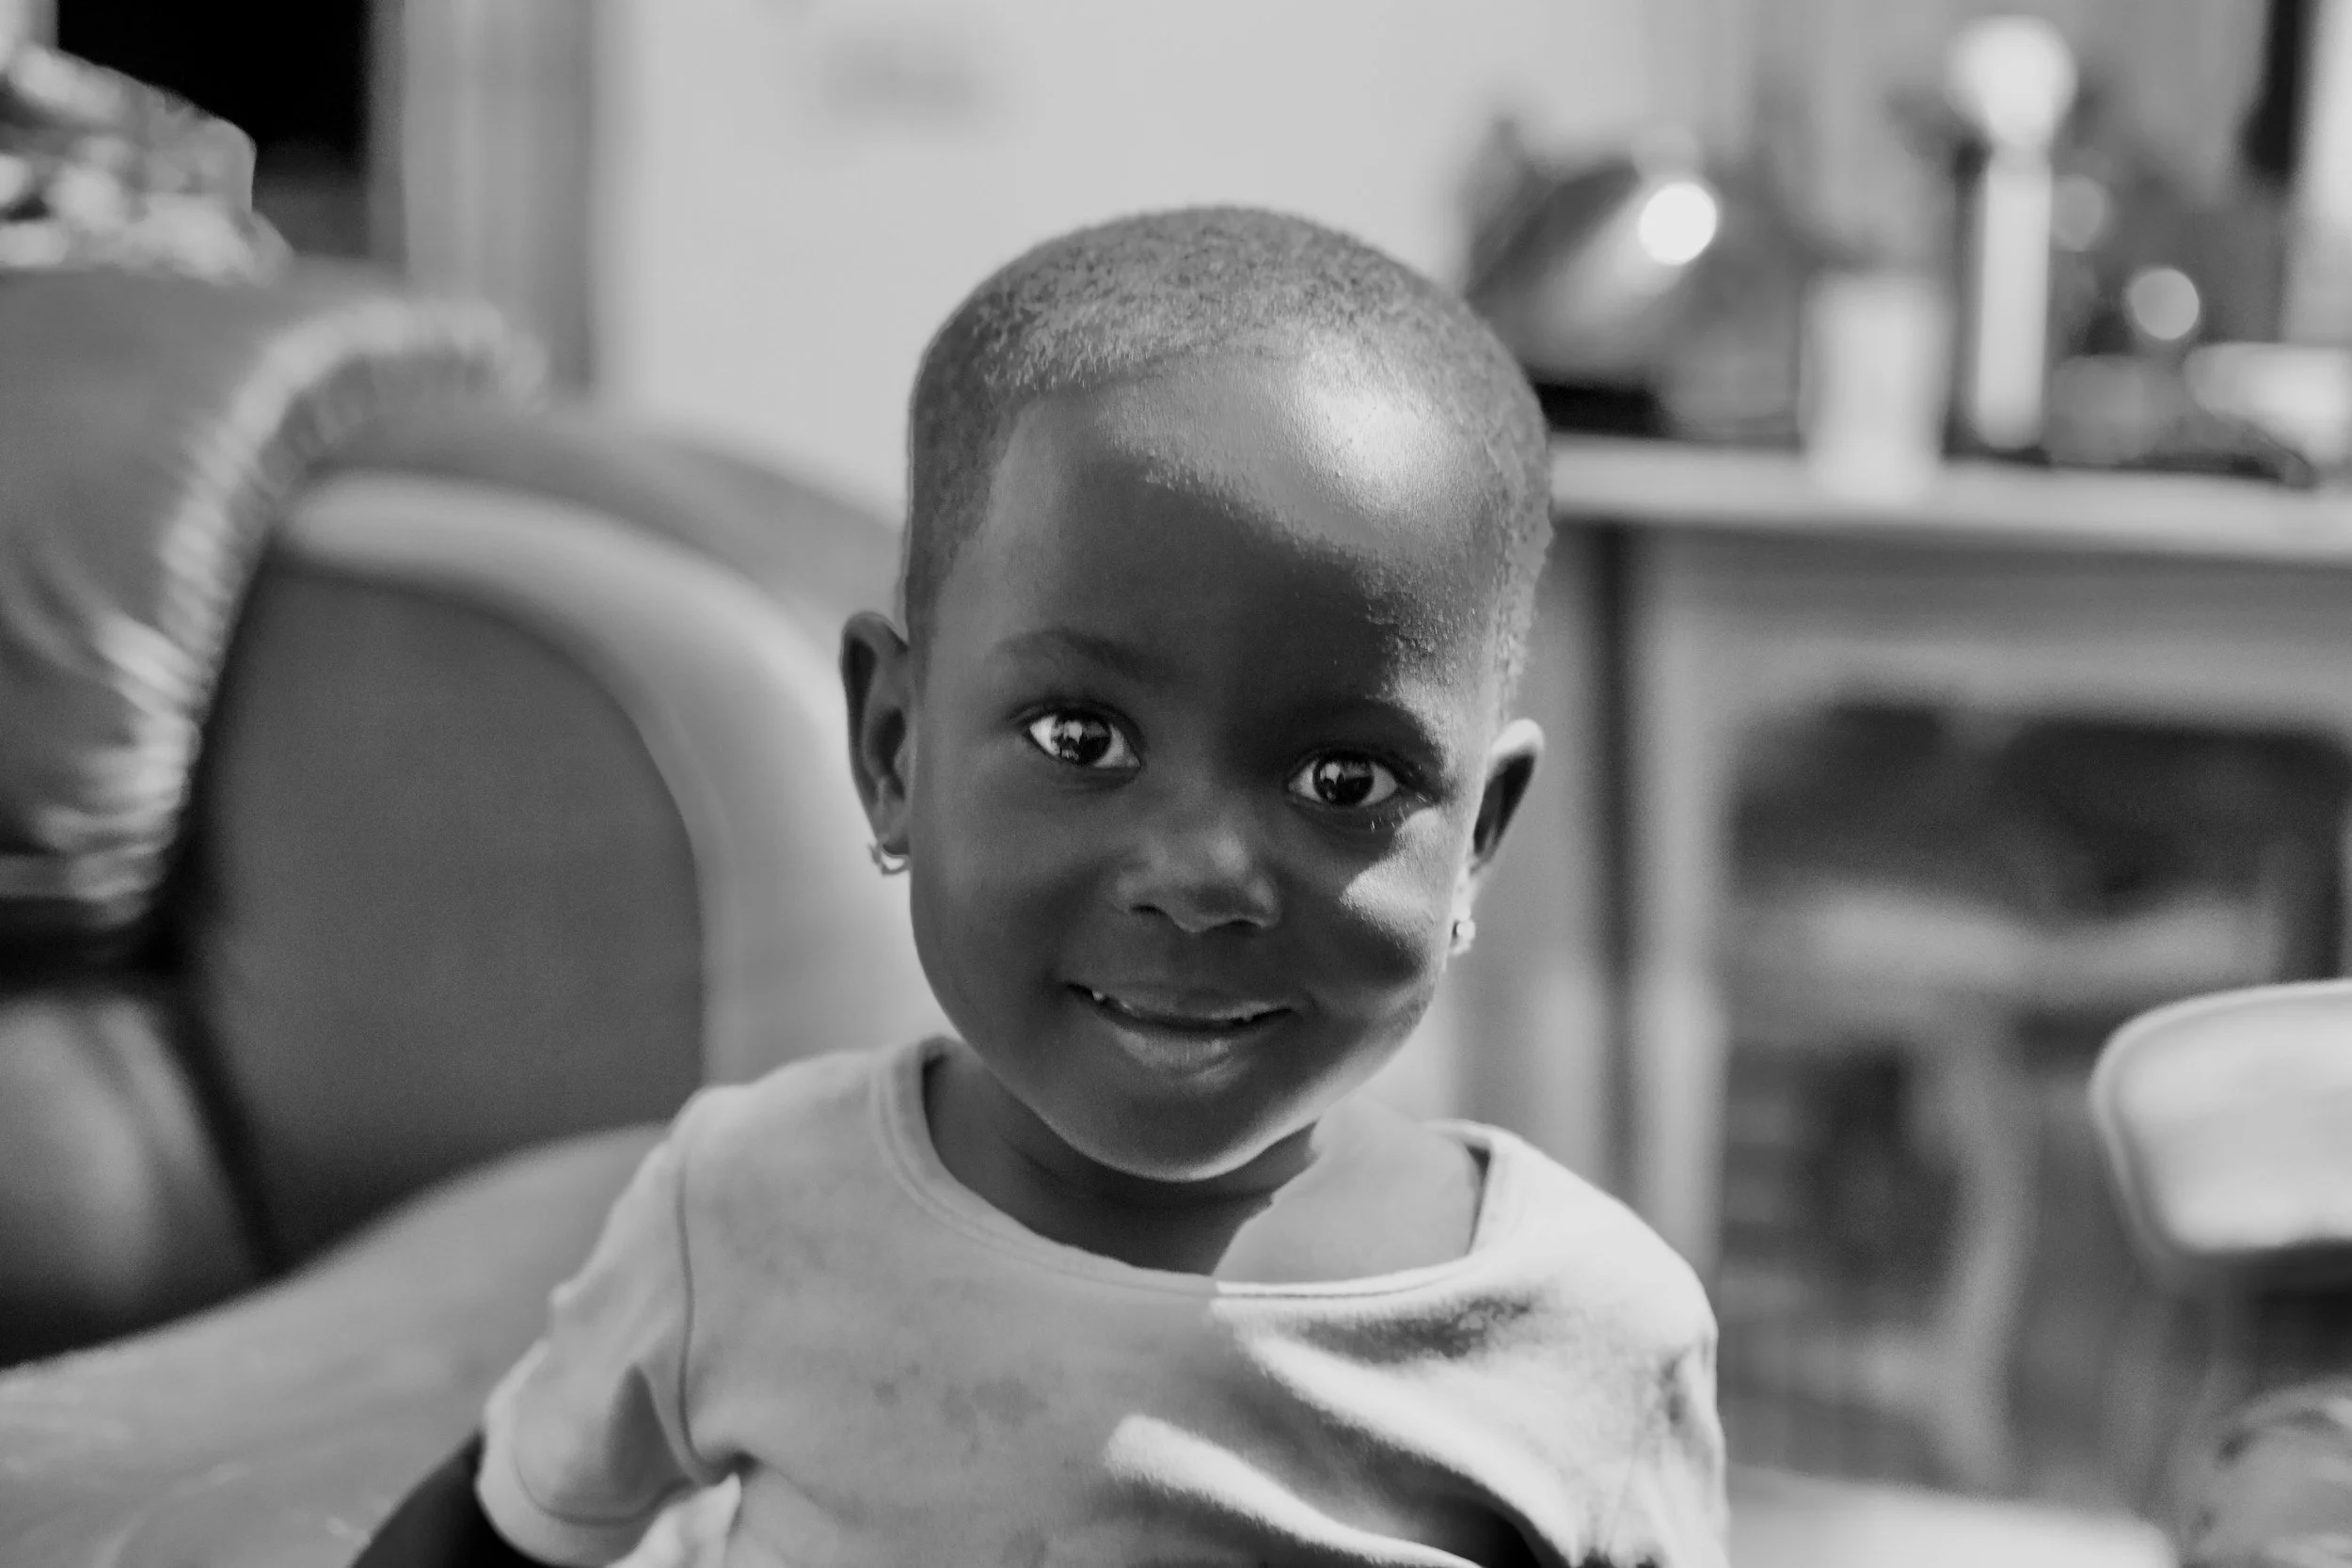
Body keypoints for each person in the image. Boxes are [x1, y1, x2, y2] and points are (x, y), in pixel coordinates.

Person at [365, 205, 1724, 1568]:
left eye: (1345, 782)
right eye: (1084, 740)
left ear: (1476, 832)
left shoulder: (1582, 1330)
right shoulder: (747, 1206)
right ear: (895, 747)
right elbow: (491, 1537)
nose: (1201, 881)